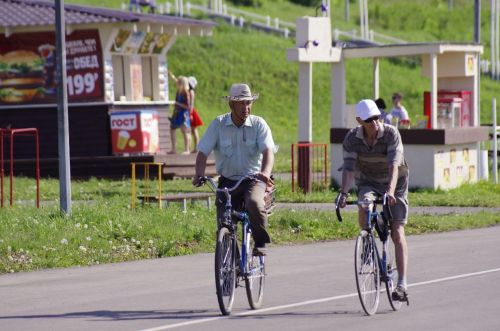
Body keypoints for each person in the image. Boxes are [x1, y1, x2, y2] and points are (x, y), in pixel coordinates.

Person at [337, 99, 410, 301]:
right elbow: (349, 168)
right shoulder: (352, 138)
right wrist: (343, 193)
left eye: (377, 117)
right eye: (370, 120)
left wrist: (391, 191)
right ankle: (368, 240)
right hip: (368, 180)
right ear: (360, 120)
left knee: (397, 230)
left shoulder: (391, 133)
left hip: (395, 182)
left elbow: (393, 166)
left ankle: (402, 283)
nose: (375, 122)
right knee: (364, 205)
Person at [192, 83, 275, 256]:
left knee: (253, 202)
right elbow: (202, 152)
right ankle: (232, 261)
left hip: (253, 179)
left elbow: (268, 151)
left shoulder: (259, 124)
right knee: (224, 221)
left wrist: (265, 173)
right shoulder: (218, 124)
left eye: (249, 103)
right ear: (231, 105)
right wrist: (199, 174)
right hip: (227, 180)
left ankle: (260, 242)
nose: (246, 107)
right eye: (241, 103)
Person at [169, 76, 191, 155]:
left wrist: (177, 104)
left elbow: (187, 106)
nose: (176, 83)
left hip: (183, 114)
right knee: (172, 129)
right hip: (177, 113)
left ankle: (187, 149)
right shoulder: (178, 91)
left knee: (184, 131)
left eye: (178, 82)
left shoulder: (185, 92)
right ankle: (174, 148)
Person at [188, 76, 204, 153]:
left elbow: (191, 104)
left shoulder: (191, 92)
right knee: (193, 130)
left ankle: (197, 147)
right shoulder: (190, 91)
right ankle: (196, 147)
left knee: (194, 130)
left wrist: (190, 114)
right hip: (191, 111)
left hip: (191, 112)